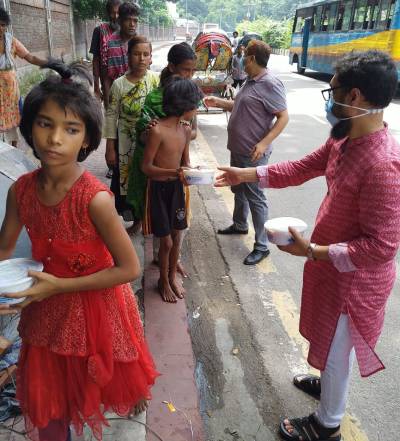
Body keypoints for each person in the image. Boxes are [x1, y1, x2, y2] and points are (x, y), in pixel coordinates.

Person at [214, 50, 400, 441]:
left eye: (331, 92)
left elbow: (382, 247)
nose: (329, 101)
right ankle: (327, 384)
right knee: (330, 341)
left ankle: (327, 423)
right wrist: (244, 174)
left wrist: (314, 252)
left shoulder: (383, 164)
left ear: (356, 97)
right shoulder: (346, 139)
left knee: (336, 347)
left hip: (355, 283)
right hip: (331, 265)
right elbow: (301, 167)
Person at [0, 63, 158, 440]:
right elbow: (5, 249)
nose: (55, 138)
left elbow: (129, 269)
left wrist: (57, 286)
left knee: (91, 387)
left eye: (70, 129)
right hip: (44, 308)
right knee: (51, 402)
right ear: (28, 129)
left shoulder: (95, 199)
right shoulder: (20, 191)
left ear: (86, 140)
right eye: (44, 124)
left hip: (96, 309)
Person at [204, 40, 288, 266]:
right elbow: (240, 106)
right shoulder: (250, 82)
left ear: (251, 59)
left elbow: (283, 117)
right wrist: (219, 102)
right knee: (238, 189)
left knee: (256, 197)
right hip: (239, 149)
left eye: (244, 57)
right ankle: (240, 224)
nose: (241, 61)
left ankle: (262, 246)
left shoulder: (270, 83)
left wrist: (263, 143)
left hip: (253, 153)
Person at [126, 42, 197, 277]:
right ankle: (161, 263)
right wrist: (153, 131)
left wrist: (188, 168)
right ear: (172, 67)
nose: (189, 75)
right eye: (186, 70)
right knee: (162, 232)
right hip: (158, 177)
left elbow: (190, 132)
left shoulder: (186, 109)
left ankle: (171, 264)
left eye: (192, 71)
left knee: (177, 229)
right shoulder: (157, 98)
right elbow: (145, 138)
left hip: (176, 177)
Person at [141, 77, 203, 303]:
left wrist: (192, 171)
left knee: (176, 238)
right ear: (185, 106)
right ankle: (163, 282)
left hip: (177, 189)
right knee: (165, 242)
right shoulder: (157, 131)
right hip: (158, 190)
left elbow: (185, 162)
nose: (196, 110)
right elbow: (146, 167)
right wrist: (173, 172)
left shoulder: (185, 131)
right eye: (195, 106)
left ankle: (171, 277)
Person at [104, 35, 158, 231]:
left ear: (151, 57)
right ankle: (136, 219)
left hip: (150, 141)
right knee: (128, 182)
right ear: (128, 56)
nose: (141, 59)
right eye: (136, 54)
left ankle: (147, 218)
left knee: (147, 179)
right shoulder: (119, 85)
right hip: (126, 142)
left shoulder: (156, 80)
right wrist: (110, 147)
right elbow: (111, 116)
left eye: (146, 54)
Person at [0, 7, 48, 147]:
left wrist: (48, 63)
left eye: (3, 25)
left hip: (10, 92)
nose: (0, 28)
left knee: (12, 124)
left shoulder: (12, 42)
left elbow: (30, 57)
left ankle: (12, 152)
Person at [104, 1, 140, 108]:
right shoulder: (110, 43)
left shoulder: (140, 42)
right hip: (118, 96)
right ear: (120, 21)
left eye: (135, 21)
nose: (132, 24)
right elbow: (107, 77)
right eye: (128, 20)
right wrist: (107, 103)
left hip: (138, 96)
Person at [89, 0, 121, 101]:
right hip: (107, 82)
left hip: (126, 80)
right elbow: (96, 60)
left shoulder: (126, 32)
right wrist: (96, 87)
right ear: (108, 13)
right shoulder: (99, 31)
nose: (116, 16)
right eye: (112, 13)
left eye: (118, 13)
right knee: (110, 112)